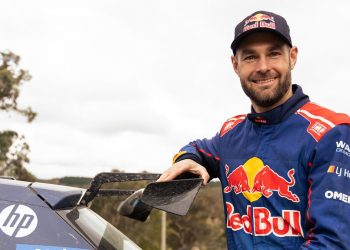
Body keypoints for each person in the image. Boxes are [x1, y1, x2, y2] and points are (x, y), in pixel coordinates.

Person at [157, 10, 350, 250]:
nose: (263, 67)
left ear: (292, 57)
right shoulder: (231, 132)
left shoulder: (330, 132)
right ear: (235, 65)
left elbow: (333, 243)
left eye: (274, 54)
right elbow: (199, 149)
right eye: (250, 57)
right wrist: (188, 158)